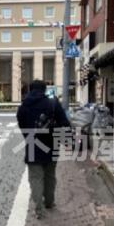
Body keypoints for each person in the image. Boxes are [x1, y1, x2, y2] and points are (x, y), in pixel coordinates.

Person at [16, 80, 71, 219]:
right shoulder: (52, 104)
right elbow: (64, 123)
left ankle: (39, 209)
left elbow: (22, 127)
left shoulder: (23, 106)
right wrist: (66, 140)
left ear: (30, 89)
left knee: (35, 178)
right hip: (52, 145)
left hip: (33, 147)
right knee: (50, 175)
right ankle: (49, 202)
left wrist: (29, 138)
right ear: (45, 89)